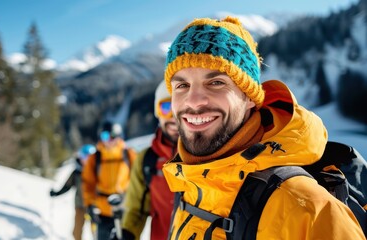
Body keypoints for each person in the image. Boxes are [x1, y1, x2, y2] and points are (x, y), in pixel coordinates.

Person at [161, 16, 365, 239]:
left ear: (250, 97)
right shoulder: (187, 183)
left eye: (216, 82)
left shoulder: (308, 210)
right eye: (182, 85)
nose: (193, 101)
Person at [118, 80, 179, 240]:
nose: (173, 116)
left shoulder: (208, 156)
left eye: (179, 107)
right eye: (166, 107)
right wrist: (127, 233)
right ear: (157, 112)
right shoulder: (147, 159)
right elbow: (136, 208)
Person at [82, 121, 137, 240]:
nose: (109, 140)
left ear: (119, 136)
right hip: (103, 210)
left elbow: (138, 180)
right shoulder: (95, 158)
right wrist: (90, 204)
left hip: (125, 208)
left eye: (113, 136)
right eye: (105, 136)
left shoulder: (128, 154)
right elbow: (88, 183)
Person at [49, 144, 96, 240]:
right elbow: (67, 186)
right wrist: (57, 193)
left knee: (96, 231)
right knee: (77, 231)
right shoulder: (76, 173)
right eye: (84, 157)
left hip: (94, 207)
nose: (85, 160)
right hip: (80, 206)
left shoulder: (98, 172)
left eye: (88, 157)